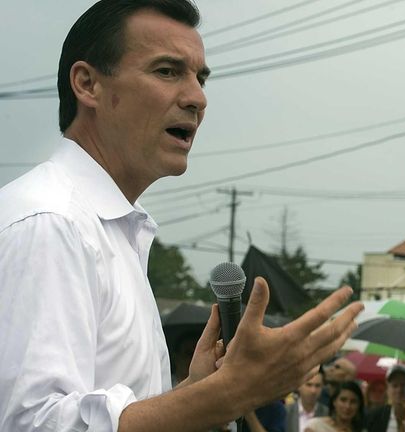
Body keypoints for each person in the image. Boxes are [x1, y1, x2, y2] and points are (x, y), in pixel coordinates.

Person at [0, 1, 364, 430]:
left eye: (200, 77)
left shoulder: (115, 228)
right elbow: (31, 422)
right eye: (167, 71)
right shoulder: (51, 222)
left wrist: (193, 392)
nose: (197, 98)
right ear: (87, 84)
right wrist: (229, 393)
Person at [365, 364, 405, 432]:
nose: (399, 390)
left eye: (404, 385)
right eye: (395, 385)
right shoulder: (375, 417)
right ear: (388, 390)